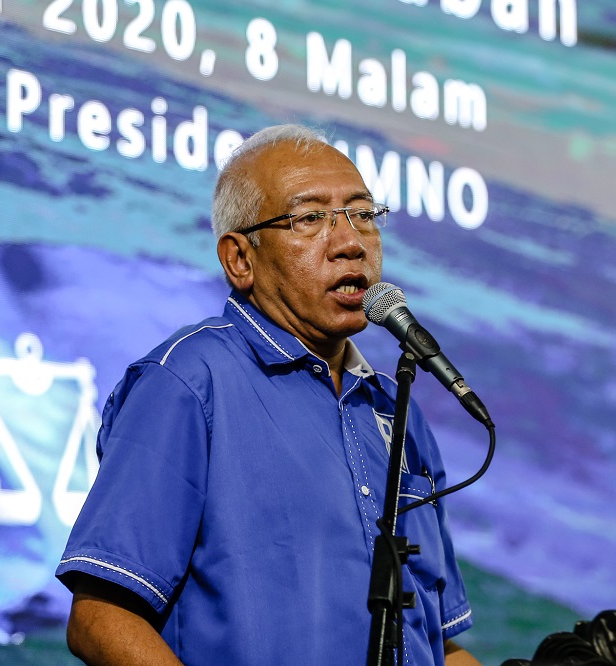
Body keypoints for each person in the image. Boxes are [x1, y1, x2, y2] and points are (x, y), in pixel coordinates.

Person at [56, 124, 481, 665]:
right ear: (240, 259)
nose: (351, 242)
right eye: (310, 219)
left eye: (365, 215)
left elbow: (439, 643)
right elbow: (101, 618)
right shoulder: (189, 379)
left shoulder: (395, 408)